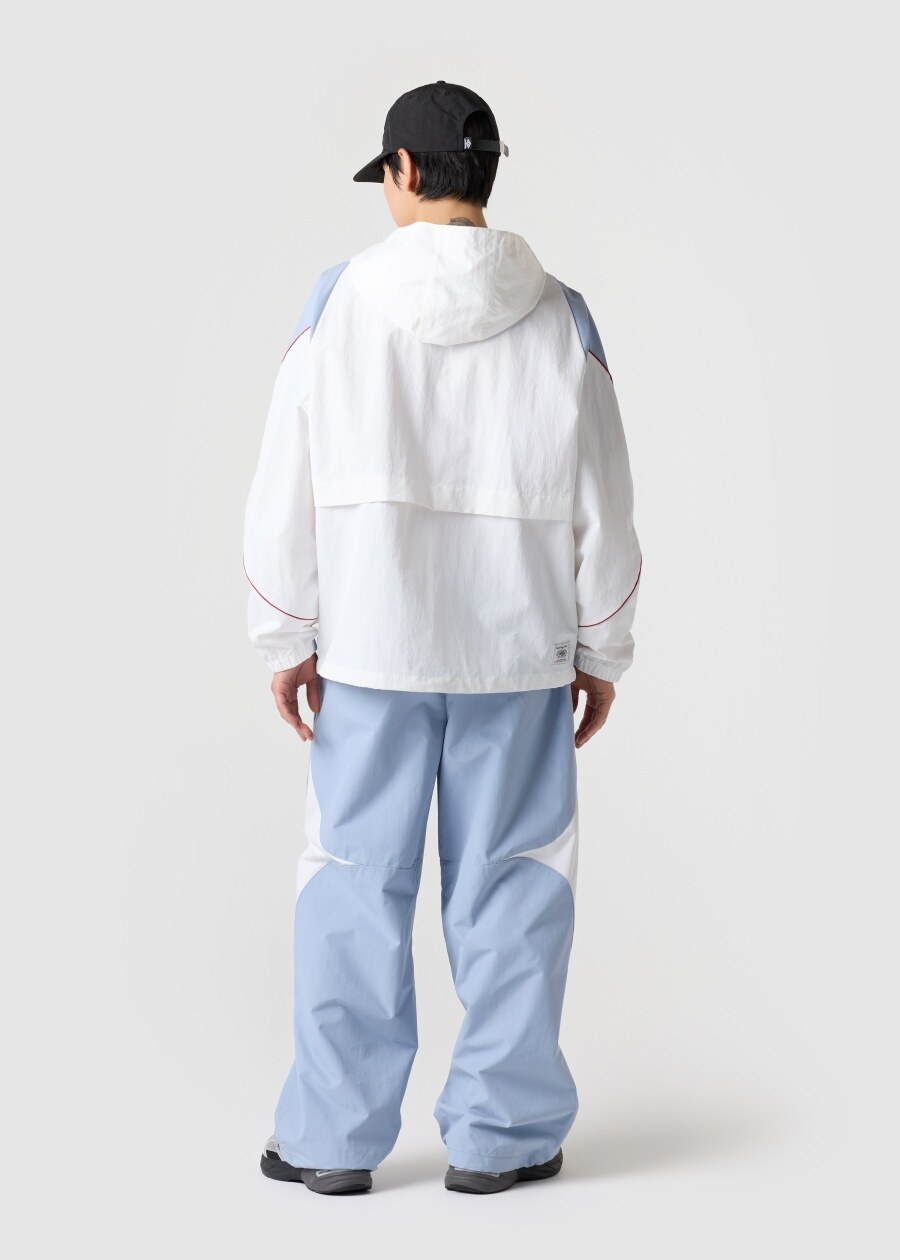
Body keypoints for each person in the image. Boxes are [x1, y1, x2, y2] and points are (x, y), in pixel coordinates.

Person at [243, 80, 642, 1196]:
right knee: (515, 889)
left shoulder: (339, 301)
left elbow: (283, 484)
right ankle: (501, 1138)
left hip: (370, 651)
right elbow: (606, 502)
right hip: (518, 655)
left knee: (350, 885)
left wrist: (287, 634)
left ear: (406, 171)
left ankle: (330, 1140)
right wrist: (600, 650)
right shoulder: (564, 316)